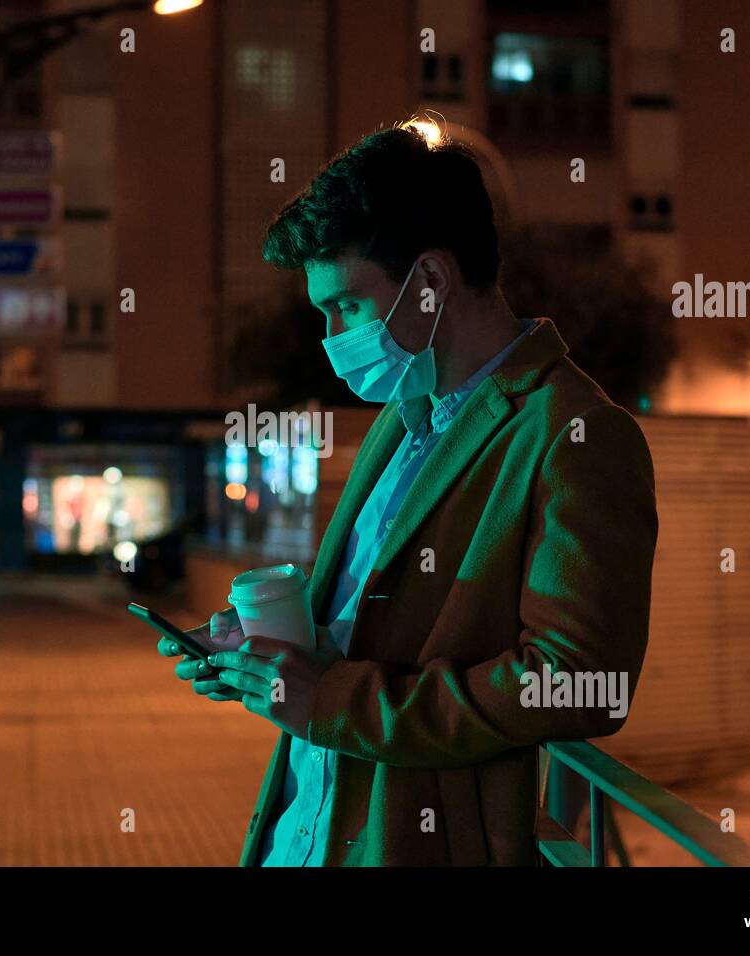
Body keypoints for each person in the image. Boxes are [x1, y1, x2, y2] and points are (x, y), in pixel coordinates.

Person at [158, 121, 658, 866]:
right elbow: (372, 628)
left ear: (431, 280)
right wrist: (266, 654)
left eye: (347, 306)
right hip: (305, 830)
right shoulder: (403, 416)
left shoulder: (575, 435)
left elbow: (585, 684)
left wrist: (331, 701)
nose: (330, 336)